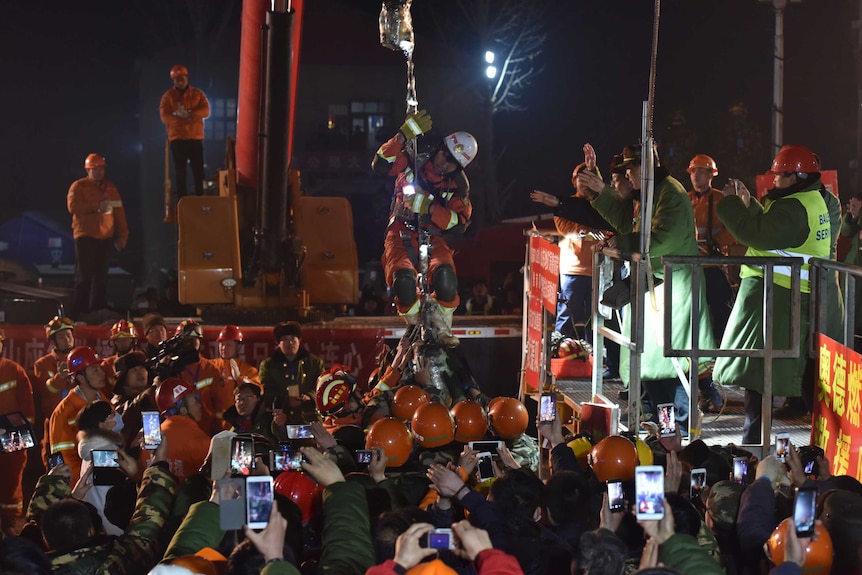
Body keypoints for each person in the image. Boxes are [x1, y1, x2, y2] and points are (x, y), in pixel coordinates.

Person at [577, 143, 716, 429]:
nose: (627, 175)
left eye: (631, 168)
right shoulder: (655, 192)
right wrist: (599, 189)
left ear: (647, 167)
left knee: (670, 359)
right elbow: (625, 222)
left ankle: (677, 423)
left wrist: (623, 242)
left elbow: (661, 238)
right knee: (655, 358)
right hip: (660, 282)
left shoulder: (670, 194)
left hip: (674, 283)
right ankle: (660, 418)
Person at [713, 145, 835, 444]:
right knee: (789, 372)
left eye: (779, 176)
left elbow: (756, 234)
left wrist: (731, 204)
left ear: (797, 176)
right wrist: (750, 202)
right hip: (790, 296)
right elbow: (773, 231)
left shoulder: (793, 208)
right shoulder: (809, 199)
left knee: (761, 372)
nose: (774, 181)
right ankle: (811, 443)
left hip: (779, 298)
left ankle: (754, 443)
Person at [371, 109, 477, 345]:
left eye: (453, 163)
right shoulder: (413, 158)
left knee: (446, 278)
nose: (445, 163)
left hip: (432, 234)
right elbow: (380, 165)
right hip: (400, 231)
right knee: (404, 282)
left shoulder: (457, 185)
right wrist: (402, 136)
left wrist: (429, 208)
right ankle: (416, 326)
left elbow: (460, 224)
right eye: (444, 155)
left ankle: (441, 328)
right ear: (439, 148)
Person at [531, 155, 612, 341]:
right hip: (574, 271)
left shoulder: (603, 207)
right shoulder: (567, 207)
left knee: (597, 318)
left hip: (599, 271)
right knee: (567, 315)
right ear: (574, 182)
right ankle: (561, 350)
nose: (583, 184)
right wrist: (588, 230)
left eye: (588, 179)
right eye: (580, 180)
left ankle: (594, 356)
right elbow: (566, 229)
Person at [67, 153, 128, 316]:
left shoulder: (111, 188)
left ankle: (97, 310)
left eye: (101, 169)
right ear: (88, 170)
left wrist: (123, 235)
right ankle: (80, 311)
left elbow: (119, 212)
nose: (100, 172)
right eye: (96, 169)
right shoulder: (78, 187)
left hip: (105, 238)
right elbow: (73, 207)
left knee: (101, 276)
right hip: (85, 236)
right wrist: (96, 206)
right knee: (84, 275)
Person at [48, 346, 111, 482]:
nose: (102, 373)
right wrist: (82, 487)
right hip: (82, 486)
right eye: (95, 370)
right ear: (81, 378)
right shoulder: (64, 411)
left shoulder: (106, 403)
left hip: (107, 480)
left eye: (99, 368)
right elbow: (64, 459)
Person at [0, 327, 36, 535]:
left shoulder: (14, 370)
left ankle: (11, 526)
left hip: (13, 431)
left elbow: (28, 409)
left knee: (12, 478)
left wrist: (19, 433)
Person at [159, 64, 210, 197]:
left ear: (186, 78)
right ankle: (183, 199)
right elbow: (165, 116)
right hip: (178, 139)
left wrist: (190, 115)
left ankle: (200, 195)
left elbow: (206, 110)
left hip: (195, 138)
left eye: (182, 79)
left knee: (198, 170)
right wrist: (181, 119)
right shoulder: (168, 97)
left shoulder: (197, 94)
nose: (180, 82)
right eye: (177, 80)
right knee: (180, 171)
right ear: (173, 81)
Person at [259, 321, 324, 424]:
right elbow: (267, 392)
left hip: (310, 417)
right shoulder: (268, 365)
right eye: (285, 339)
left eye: (293, 338)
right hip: (280, 419)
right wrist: (286, 401)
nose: (290, 343)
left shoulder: (314, 363)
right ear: (278, 343)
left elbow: (322, 387)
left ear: (299, 340)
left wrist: (309, 396)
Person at [33, 315, 76, 467]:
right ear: (53, 341)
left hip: (79, 422)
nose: (67, 339)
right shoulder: (42, 364)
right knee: (54, 466)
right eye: (62, 336)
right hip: (54, 423)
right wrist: (60, 377)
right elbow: (45, 391)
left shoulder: (81, 359)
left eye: (69, 335)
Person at [152, 377, 211, 484]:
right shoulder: (200, 440)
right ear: (183, 410)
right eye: (195, 400)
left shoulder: (152, 439)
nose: (199, 405)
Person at [209, 324, 260, 424]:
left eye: (228, 345)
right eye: (221, 344)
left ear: (239, 346)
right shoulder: (210, 367)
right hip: (213, 423)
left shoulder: (248, 370)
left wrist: (239, 378)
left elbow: (258, 390)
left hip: (237, 423)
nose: (224, 348)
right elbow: (200, 387)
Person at [101, 319, 138, 386]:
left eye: (126, 339)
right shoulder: (107, 365)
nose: (122, 343)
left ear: (132, 341)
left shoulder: (141, 361)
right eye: (119, 340)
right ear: (114, 342)